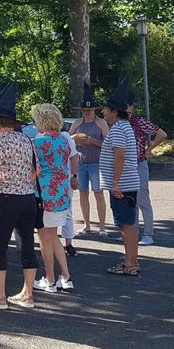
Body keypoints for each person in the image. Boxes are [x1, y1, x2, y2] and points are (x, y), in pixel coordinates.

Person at [0, 83, 37, 310]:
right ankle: (27, 293)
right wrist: (25, 184)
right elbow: (35, 171)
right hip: (27, 197)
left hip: (6, 196)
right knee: (27, 244)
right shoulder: (26, 140)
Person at [30, 103, 77, 293]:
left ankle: (49, 279)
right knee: (54, 236)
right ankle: (65, 277)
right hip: (62, 194)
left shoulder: (37, 143)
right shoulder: (65, 140)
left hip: (44, 195)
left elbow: (34, 170)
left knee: (44, 238)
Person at [101, 78, 142, 276]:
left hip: (122, 185)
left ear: (115, 111)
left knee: (125, 225)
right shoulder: (125, 127)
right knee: (129, 224)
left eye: (106, 109)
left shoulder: (118, 128)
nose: (103, 112)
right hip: (128, 183)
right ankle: (132, 262)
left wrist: (115, 183)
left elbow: (119, 155)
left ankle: (130, 264)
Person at [71, 82, 110, 238]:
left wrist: (92, 141)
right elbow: (67, 140)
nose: (87, 112)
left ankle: (102, 227)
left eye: (90, 110)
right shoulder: (77, 123)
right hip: (80, 164)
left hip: (96, 163)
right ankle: (87, 225)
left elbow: (108, 145)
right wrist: (76, 139)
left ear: (94, 110)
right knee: (83, 193)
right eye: (85, 110)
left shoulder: (101, 123)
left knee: (98, 193)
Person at [127, 95, 168, 246]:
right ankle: (133, 232)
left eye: (128, 105)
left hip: (138, 163)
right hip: (126, 165)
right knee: (130, 200)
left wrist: (148, 149)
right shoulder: (118, 123)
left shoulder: (139, 122)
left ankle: (148, 233)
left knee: (142, 198)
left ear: (131, 107)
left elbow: (161, 133)